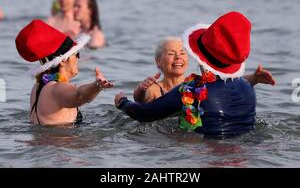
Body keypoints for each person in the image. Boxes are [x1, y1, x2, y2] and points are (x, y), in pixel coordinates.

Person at [115, 11, 273, 136]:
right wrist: (253, 78)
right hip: (246, 151)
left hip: (209, 154)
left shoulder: (192, 91)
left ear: (200, 57)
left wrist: (123, 103)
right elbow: (222, 87)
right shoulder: (247, 87)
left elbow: (144, 114)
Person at [15, 20, 113, 126]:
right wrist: (97, 85)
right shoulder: (56, 89)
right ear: (62, 60)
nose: (77, 59)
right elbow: (79, 95)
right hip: (61, 141)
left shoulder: (40, 84)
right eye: (76, 54)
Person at [133, 37, 275, 103]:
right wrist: (141, 89)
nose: (178, 57)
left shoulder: (196, 84)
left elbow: (225, 85)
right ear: (158, 61)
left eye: (182, 53)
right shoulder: (155, 89)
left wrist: (254, 78)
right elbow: (140, 103)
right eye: (171, 54)